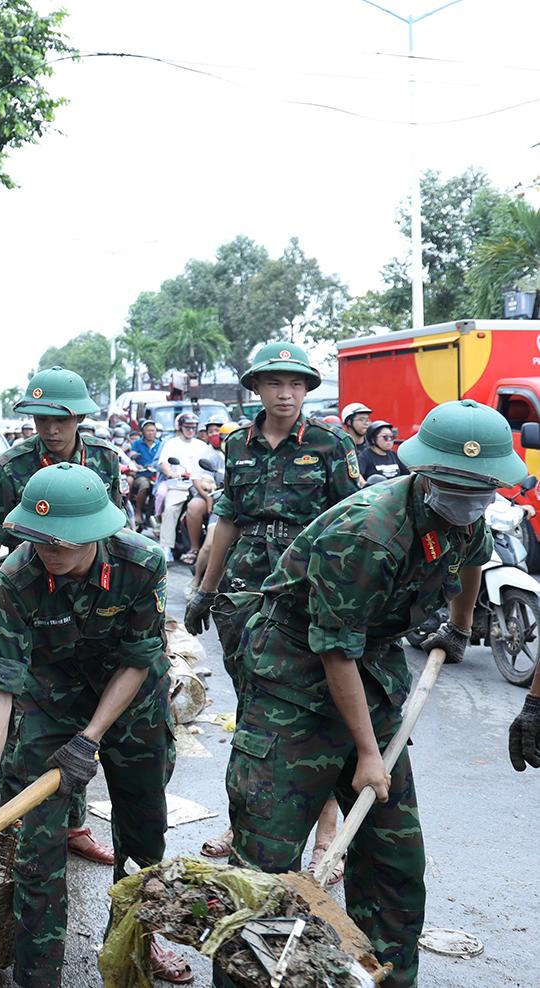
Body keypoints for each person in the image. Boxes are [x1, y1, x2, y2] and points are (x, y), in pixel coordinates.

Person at [226, 399, 524, 987]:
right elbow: (335, 650)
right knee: (266, 867)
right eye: (457, 488)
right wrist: (365, 754)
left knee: (395, 862)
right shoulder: (368, 532)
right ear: (425, 473)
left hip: (374, 671)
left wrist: (460, 630)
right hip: (295, 680)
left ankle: (384, 977)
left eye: (481, 490)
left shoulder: (467, 520)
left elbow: (472, 563)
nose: (469, 503)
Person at [0, 464, 191, 985]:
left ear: (94, 532)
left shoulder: (140, 563)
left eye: (60, 543)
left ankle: (133, 949)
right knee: (35, 848)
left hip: (130, 699)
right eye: (36, 538)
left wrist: (91, 738)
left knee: (142, 836)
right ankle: (37, 974)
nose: (46, 551)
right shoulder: (16, 577)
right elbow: (2, 686)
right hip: (50, 700)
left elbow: (138, 660)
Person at [184, 342, 362, 867]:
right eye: (274, 383)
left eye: (296, 384)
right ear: (257, 388)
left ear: (307, 389)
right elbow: (229, 519)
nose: (286, 394)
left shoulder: (330, 444)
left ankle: (325, 825)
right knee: (254, 711)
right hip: (243, 588)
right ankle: (248, 828)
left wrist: (346, 600)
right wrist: (206, 590)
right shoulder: (238, 443)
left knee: (315, 702)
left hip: (307, 588)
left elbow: (352, 523)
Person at [0, 367, 123, 866]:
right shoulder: (10, 466)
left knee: (82, 719)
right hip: (28, 603)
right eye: (40, 417)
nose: (49, 429)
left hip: (89, 604)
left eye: (60, 418)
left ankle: (74, 825)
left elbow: (115, 536)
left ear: (80, 416)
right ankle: (13, 826)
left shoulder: (106, 461)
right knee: (23, 717)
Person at [156, 412, 214, 563]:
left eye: (193, 427)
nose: (190, 430)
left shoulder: (202, 446)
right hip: (179, 485)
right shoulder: (171, 443)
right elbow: (164, 463)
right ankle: (166, 547)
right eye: (187, 427)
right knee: (170, 510)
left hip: (200, 485)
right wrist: (171, 473)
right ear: (180, 427)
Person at [127, 421, 162, 529]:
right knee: (144, 485)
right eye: (148, 430)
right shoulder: (137, 443)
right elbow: (132, 455)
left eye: (153, 430)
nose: (151, 433)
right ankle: (138, 512)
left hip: (157, 476)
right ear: (143, 432)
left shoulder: (160, 444)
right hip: (142, 475)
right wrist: (135, 460)